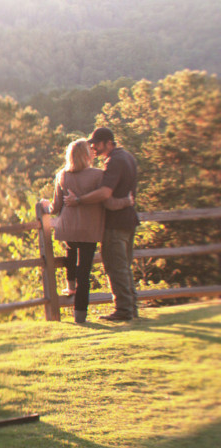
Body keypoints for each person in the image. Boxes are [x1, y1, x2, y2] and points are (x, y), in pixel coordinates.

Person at [40, 139, 132, 323]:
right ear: (86, 155)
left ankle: (70, 285)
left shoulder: (62, 175)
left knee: (70, 251)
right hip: (89, 229)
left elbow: (55, 208)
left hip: (68, 228)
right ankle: (79, 315)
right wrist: (126, 201)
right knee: (85, 272)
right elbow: (107, 200)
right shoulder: (98, 176)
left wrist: (44, 205)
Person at [65, 127, 140, 321]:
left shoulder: (114, 161)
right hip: (129, 219)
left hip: (115, 222)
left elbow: (105, 193)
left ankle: (123, 310)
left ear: (108, 142)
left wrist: (79, 200)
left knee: (115, 267)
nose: (93, 147)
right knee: (124, 266)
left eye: (96, 143)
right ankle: (131, 307)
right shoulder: (128, 157)